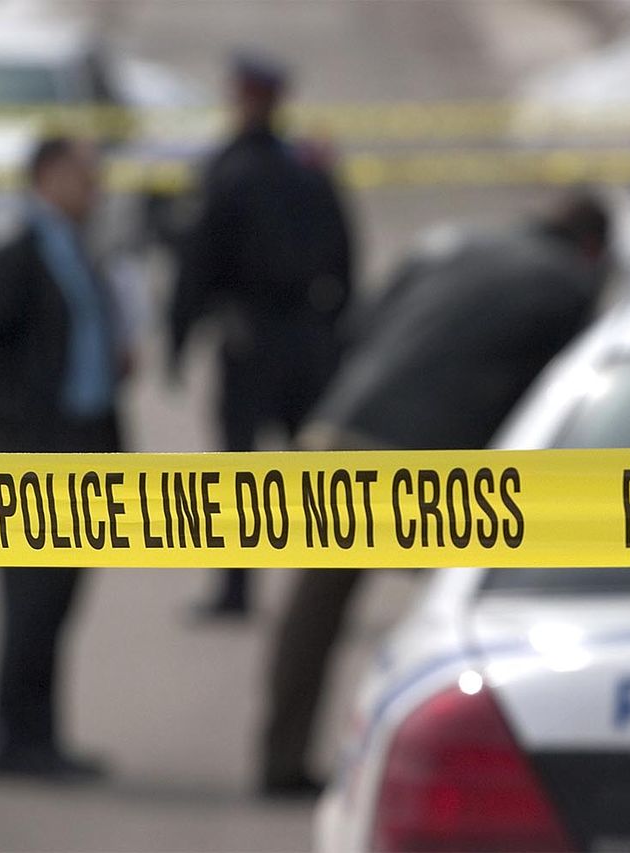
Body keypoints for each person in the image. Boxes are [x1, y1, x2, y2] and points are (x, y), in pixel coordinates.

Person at [260, 187, 613, 797]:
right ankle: (442, 776)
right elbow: (558, 404)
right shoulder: (569, 285)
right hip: (427, 465)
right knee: (463, 620)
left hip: (342, 429)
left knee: (312, 615)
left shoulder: (451, 246)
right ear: (593, 246)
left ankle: (278, 760)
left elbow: (361, 325)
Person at [0, 137, 131, 784]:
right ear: (49, 177)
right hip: (31, 463)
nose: (96, 189)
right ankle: (15, 740)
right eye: (86, 176)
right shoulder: (15, 254)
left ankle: (43, 735)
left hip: (82, 449)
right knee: (28, 606)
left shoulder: (81, 250)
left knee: (54, 607)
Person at [169, 52, 354, 619]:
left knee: (242, 473)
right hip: (305, 337)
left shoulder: (230, 170)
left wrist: (180, 336)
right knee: (315, 472)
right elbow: (345, 256)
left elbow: (199, 262)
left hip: (250, 341)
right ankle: (324, 597)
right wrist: (336, 327)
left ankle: (237, 592)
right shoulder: (307, 166)